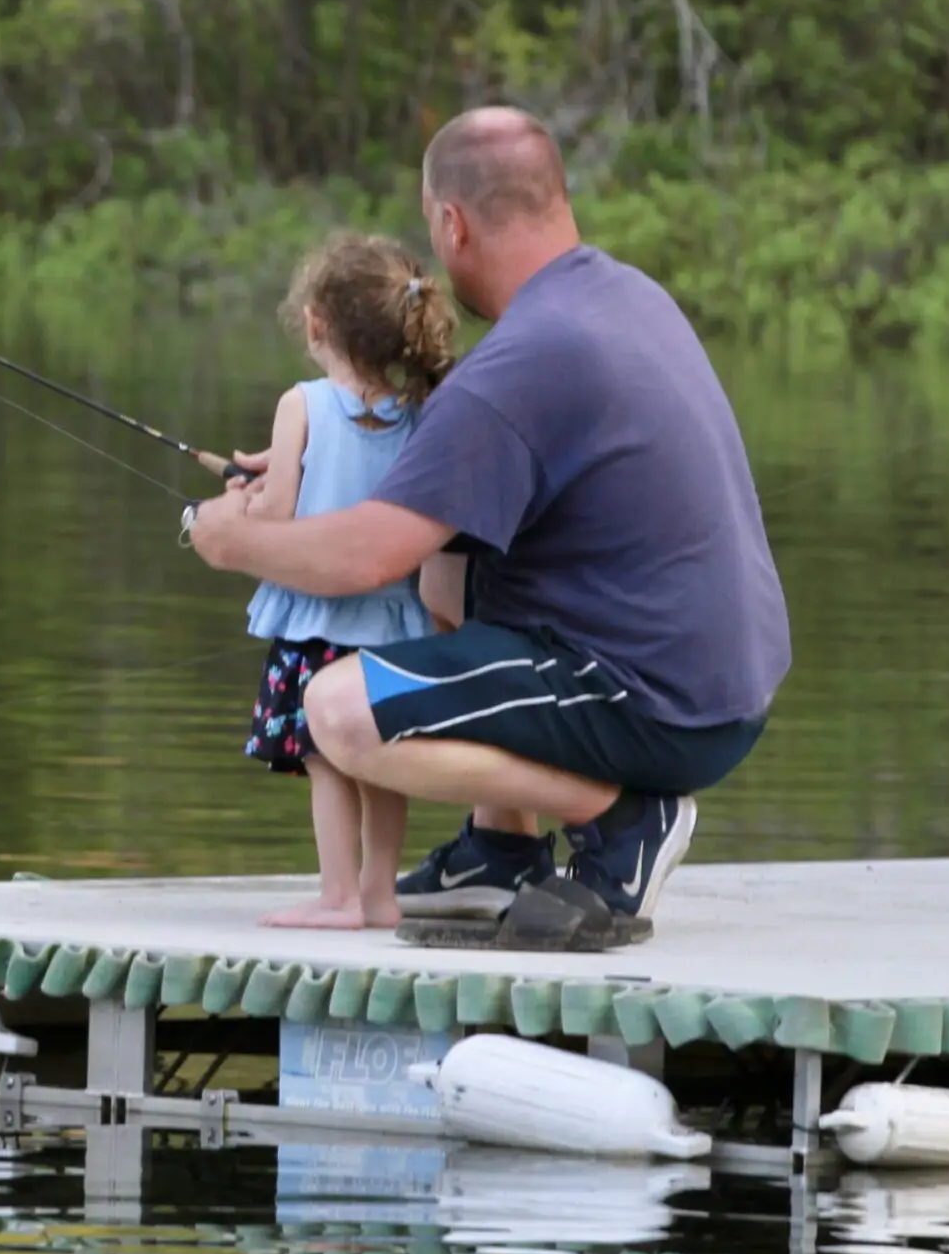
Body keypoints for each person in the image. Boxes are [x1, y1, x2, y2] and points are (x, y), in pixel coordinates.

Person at [187, 108, 790, 954]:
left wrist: (230, 541)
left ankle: (624, 817)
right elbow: (424, 514)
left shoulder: (522, 361)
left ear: (451, 221)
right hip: (721, 686)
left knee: (338, 712)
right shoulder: (622, 298)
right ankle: (500, 850)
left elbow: (365, 556)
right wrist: (306, 465)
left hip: (648, 700)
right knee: (448, 569)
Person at [238, 235, 458, 931]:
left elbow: (274, 521)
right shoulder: (422, 414)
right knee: (380, 757)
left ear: (314, 323)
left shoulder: (299, 405)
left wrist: (241, 506)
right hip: (394, 626)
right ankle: (378, 896)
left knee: (326, 762)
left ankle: (335, 897)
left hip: (317, 624)